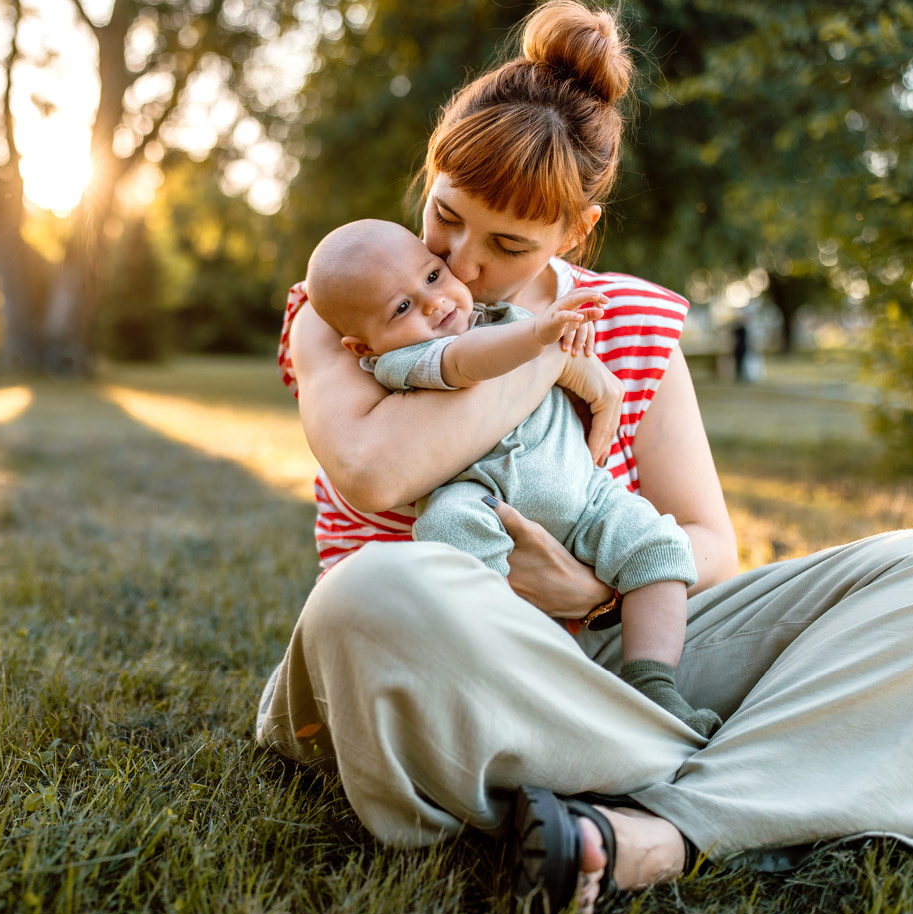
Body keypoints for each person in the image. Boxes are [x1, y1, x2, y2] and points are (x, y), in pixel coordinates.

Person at [256, 0, 913, 914]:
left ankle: (659, 830)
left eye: (508, 245)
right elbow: (373, 473)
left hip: (614, 649)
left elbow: (707, 543)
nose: (460, 267)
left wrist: (591, 593)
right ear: (432, 171)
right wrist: (540, 353)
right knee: (368, 596)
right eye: (446, 216)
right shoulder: (353, 297)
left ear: (574, 231)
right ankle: (764, 769)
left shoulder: (637, 319)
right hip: (446, 657)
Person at [304, 218, 718, 735]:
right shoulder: (402, 360)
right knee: (451, 535)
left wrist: (560, 342)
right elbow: (466, 362)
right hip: (482, 496)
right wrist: (543, 340)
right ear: (363, 348)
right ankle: (501, 675)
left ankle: (654, 683)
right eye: (402, 308)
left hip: (586, 496)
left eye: (433, 277)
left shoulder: (503, 315)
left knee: (657, 545)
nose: (433, 303)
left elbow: (715, 541)